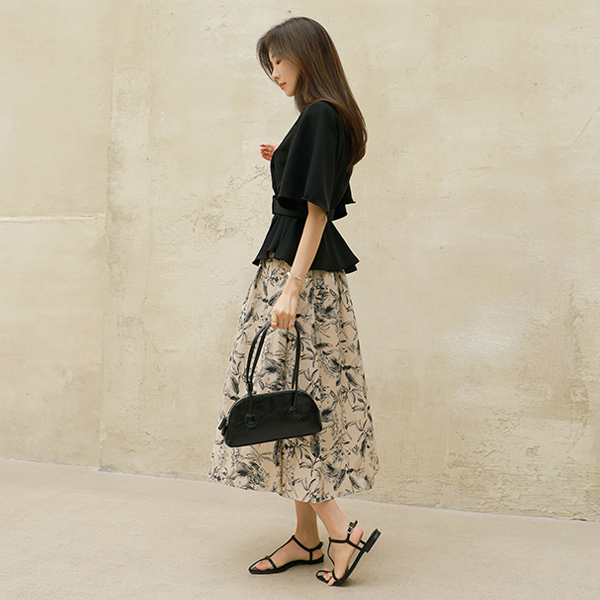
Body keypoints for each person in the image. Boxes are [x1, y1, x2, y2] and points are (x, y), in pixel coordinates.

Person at [208, 16, 380, 587]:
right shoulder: (319, 117)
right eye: (270, 65)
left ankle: (342, 531)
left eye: (278, 60)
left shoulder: (322, 115)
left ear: (306, 54)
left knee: (297, 403)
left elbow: (318, 208)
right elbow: (310, 185)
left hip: (299, 279)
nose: (274, 72)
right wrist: (282, 157)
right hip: (295, 274)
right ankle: (307, 537)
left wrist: (292, 287)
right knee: (291, 399)